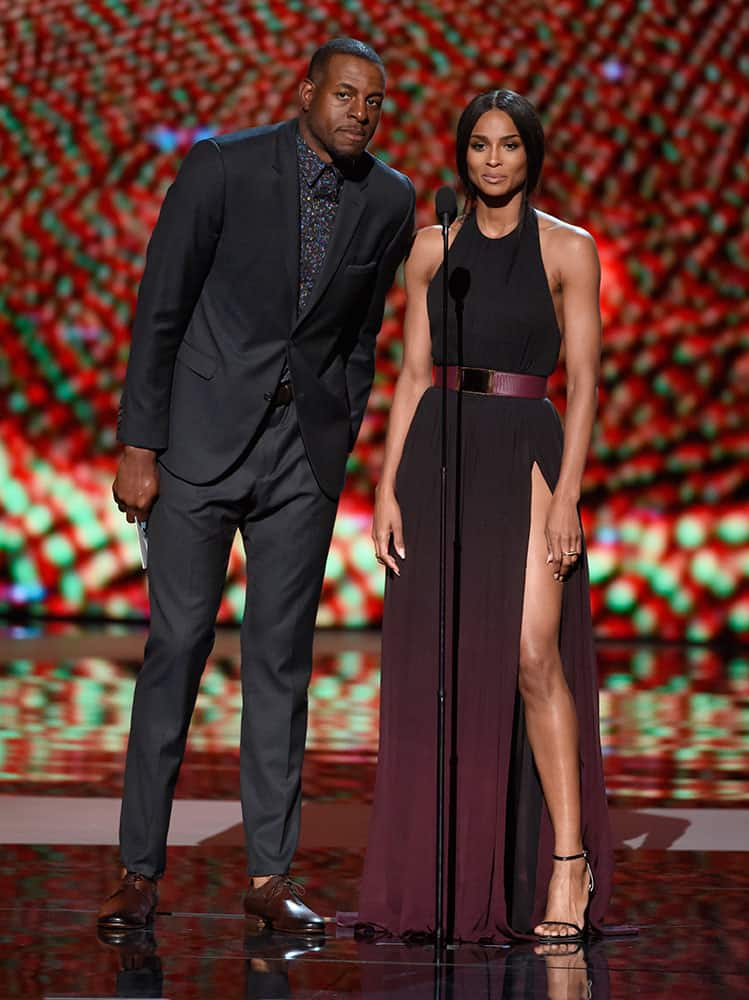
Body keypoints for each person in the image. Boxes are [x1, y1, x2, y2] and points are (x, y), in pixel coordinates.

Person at [98, 37, 415, 937]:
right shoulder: (223, 167)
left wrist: (335, 438)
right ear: (307, 90)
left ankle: (271, 878)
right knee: (177, 650)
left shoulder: (388, 199)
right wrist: (139, 443)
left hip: (298, 463)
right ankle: (136, 871)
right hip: (196, 445)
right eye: (346, 94)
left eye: (375, 101)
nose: (360, 111)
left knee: (280, 666)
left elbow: (360, 336)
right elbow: (163, 302)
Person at [358, 89, 612, 942]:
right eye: (478, 146)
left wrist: (569, 493)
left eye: (507, 145)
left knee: (532, 654)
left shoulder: (568, 251)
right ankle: (458, 877)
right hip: (442, 452)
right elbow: (410, 372)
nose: (492, 160)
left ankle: (567, 866)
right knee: (453, 669)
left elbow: (584, 384)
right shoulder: (430, 249)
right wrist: (387, 485)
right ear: (461, 155)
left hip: (527, 450)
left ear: (531, 155)